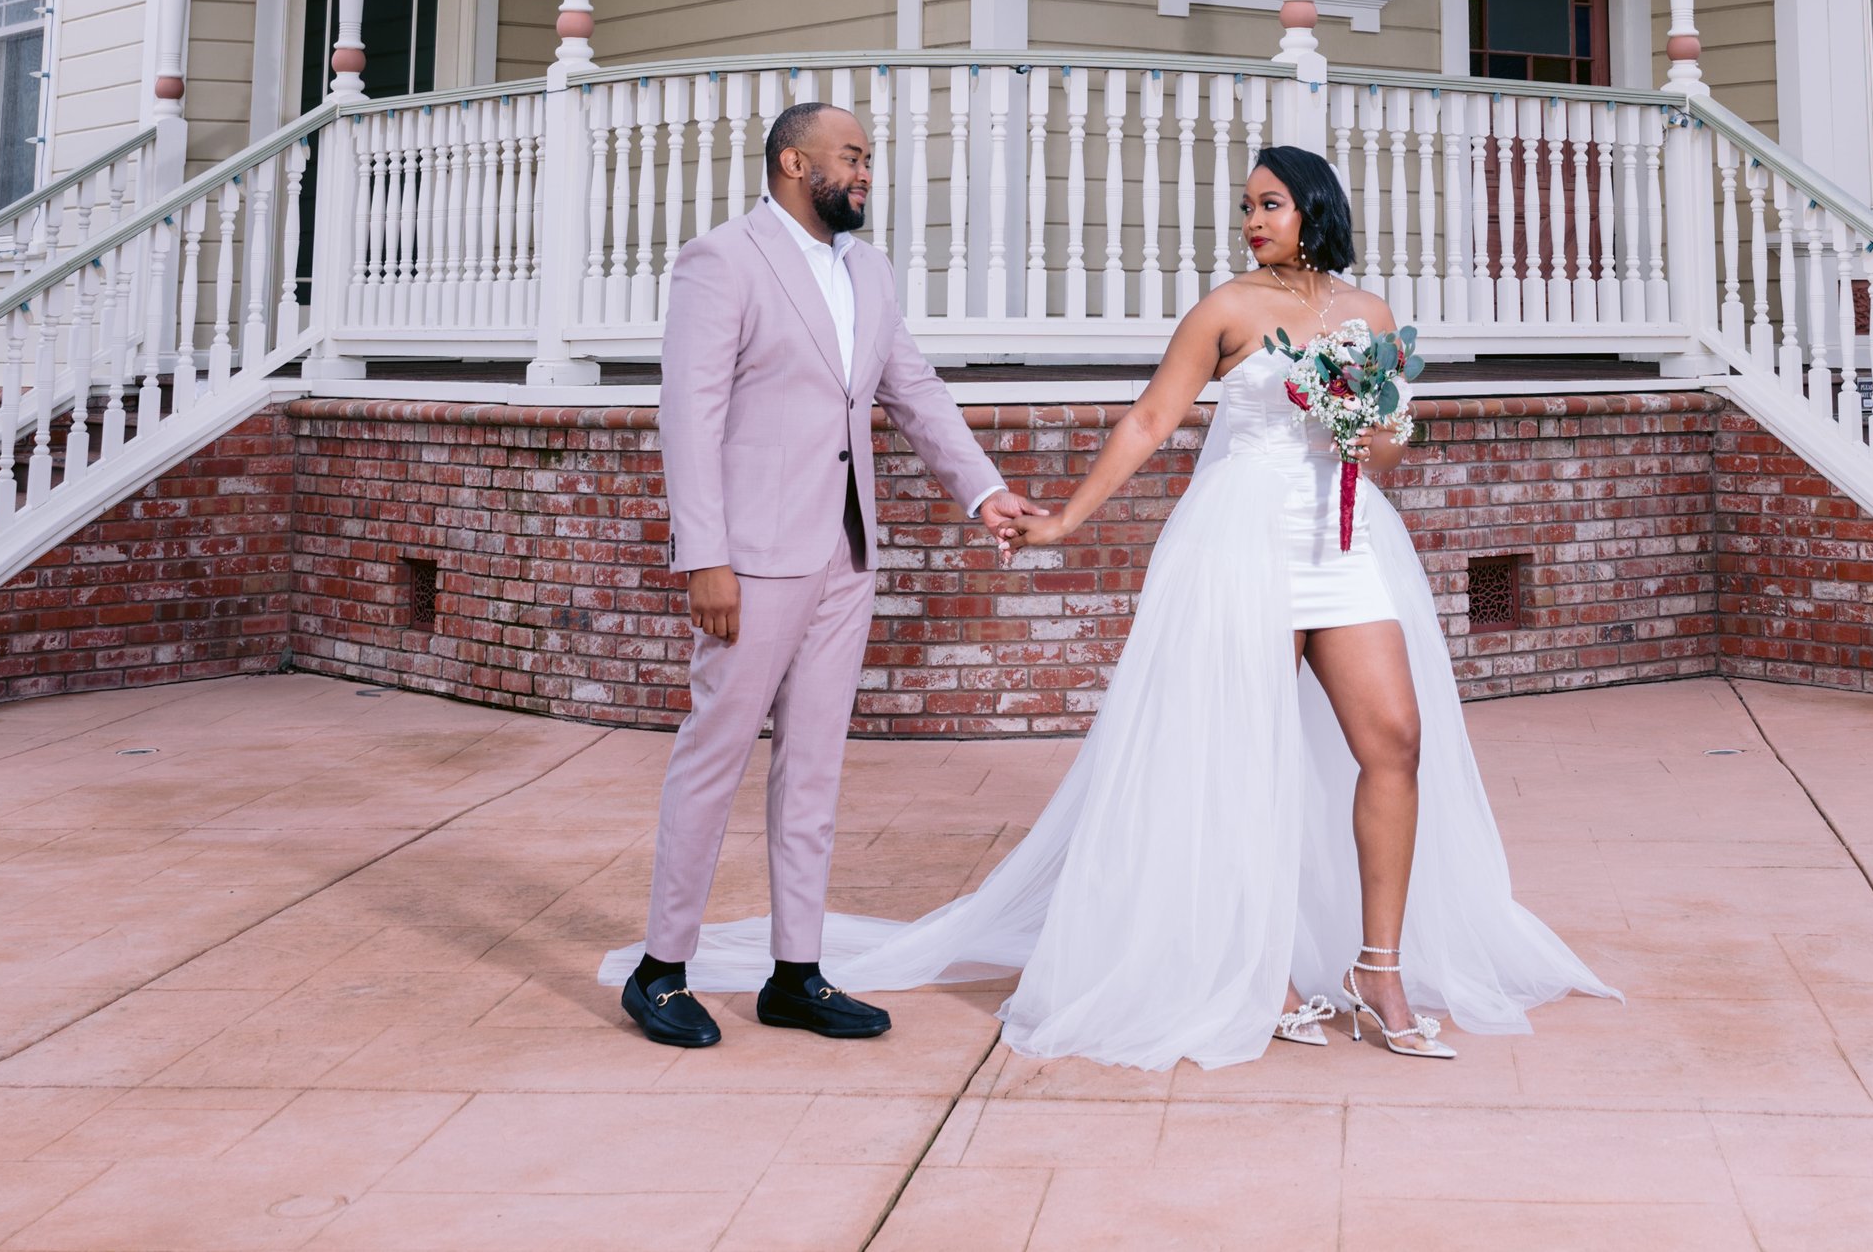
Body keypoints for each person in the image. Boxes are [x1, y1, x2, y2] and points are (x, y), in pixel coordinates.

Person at [614, 138, 1614, 1072]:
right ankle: (1251, 972)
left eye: (1268, 203)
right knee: (1244, 755)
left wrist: (1360, 420)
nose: (1252, 219)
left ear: (1315, 209)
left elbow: (1392, 446)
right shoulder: (1225, 309)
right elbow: (1149, 418)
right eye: (1245, 206)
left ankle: (1378, 966)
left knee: (1395, 736)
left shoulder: (1374, 315)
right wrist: (1065, 520)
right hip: (1239, 543)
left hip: (1345, 546)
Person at [610, 98, 1029, 1050]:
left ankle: (795, 973)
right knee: (713, 757)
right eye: (853, 157)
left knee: (815, 769)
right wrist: (703, 556)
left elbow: (911, 391)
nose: (867, 174)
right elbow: (689, 414)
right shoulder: (723, 260)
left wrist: (984, 493)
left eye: (870, 159)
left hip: (845, 555)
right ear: (795, 164)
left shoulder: (868, 270)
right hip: (750, 561)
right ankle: (660, 969)